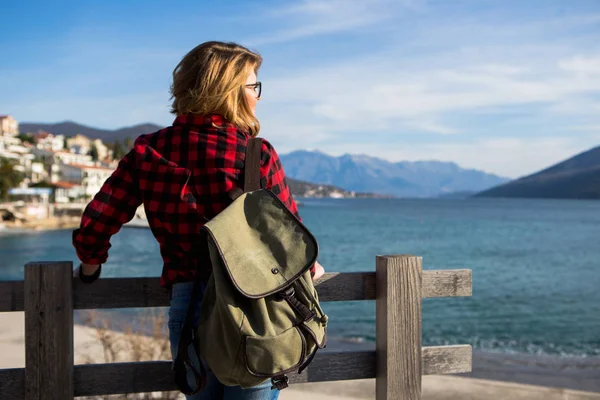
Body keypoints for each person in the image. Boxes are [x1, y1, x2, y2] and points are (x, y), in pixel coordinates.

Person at [72, 41, 325, 400]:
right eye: (254, 87)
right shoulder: (256, 153)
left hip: (188, 302)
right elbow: (291, 240)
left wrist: (90, 266)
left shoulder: (150, 150)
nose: (258, 96)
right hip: (254, 306)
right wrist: (311, 266)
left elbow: (98, 220)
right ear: (229, 92)